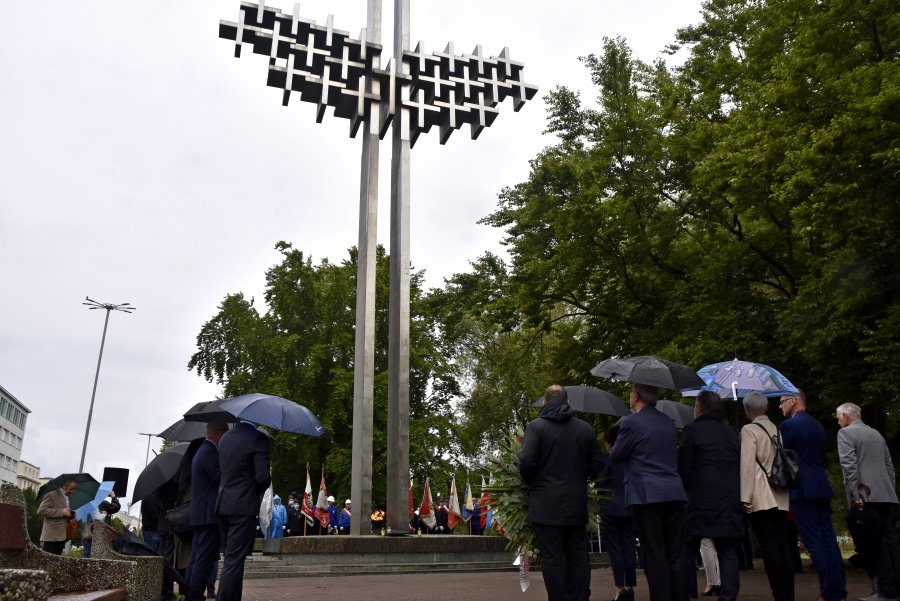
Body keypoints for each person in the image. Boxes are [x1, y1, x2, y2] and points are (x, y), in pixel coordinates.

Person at [518, 384, 604, 601]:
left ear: (545, 402)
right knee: (578, 556)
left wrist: (534, 483)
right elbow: (597, 465)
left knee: (553, 558)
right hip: (575, 504)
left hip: (545, 506)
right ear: (568, 403)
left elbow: (526, 463)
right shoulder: (585, 429)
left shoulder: (536, 428)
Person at [610, 383, 686, 601]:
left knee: (654, 554)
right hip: (674, 492)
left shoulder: (631, 422)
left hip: (647, 494)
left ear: (636, 396)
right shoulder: (668, 423)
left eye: (631, 393)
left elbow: (617, 457)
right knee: (674, 554)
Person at [779, 391, 847, 601]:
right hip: (819, 484)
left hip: (801, 487)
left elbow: (785, 458)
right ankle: (838, 590)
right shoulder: (817, 425)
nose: (780, 407)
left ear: (793, 401)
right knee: (828, 539)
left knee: (813, 541)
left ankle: (827, 592)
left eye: (781, 402)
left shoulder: (788, 426)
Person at [678, 390, 743, 601]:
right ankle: (729, 595)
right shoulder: (730, 434)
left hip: (698, 499)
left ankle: (687, 592)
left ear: (700, 407)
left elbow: (684, 467)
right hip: (728, 498)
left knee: (687, 548)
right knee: (727, 550)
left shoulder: (692, 431)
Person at [836, 402, 900, 601]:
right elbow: (889, 466)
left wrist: (855, 497)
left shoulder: (846, 434)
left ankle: (885, 590)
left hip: (865, 497)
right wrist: (889, 491)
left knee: (875, 545)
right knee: (891, 545)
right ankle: (894, 588)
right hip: (885, 496)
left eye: (838, 417)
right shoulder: (876, 434)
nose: (838, 422)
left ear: (846, 416)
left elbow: (849, 467)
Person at [740, 391, 794, 601]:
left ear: (748, 409)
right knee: (783, 545)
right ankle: (787, 593)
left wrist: (745, 496)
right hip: (779, 493)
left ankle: (779, 593)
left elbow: (747, 465)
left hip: (760, 494)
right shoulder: (775, 428)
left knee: (770, 546)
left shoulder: (749, 429)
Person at [216, 419, 272, 601]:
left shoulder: (225, 438)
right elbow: (262, 478)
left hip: (223, 503)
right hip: (243, 506)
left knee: (231, 558)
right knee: (235, 560)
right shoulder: (258, 439)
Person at [185, 420, 228, 601]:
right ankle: (194, 596)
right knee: (204, 560)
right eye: (226, 432)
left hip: (202, 514)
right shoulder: (209, 452)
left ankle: (190, 594)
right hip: (209, 515)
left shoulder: (203, 451)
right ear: (218, 432)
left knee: (196, 558)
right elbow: (220, 478)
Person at [601, 425, 637, 601]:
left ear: (608, 442)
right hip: (630, 506)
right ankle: (630, 586)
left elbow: (600, 482)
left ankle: (620, 588)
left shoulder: (608, 458)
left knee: (615, 549)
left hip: (610, 508)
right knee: (629, 548)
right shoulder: (630, 456)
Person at [37, 478, 77, 555]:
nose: (73, 491)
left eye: (74, 489)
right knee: (48, 563)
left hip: (62, 535)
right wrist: (61, 512)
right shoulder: (51, 494)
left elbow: (65, 510)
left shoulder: (67, 496)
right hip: (51, 536)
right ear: (65, 485)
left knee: (57, 563)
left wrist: (71, 513)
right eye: (71, 488)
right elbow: (41, 510)